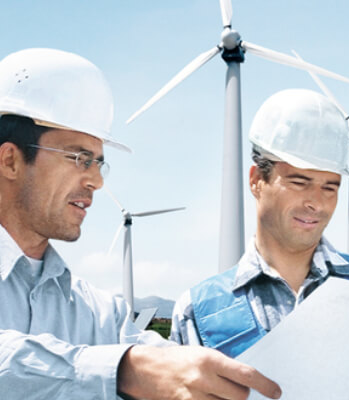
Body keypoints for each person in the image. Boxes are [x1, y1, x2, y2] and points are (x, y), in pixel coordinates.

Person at [0, 48, 281, 400]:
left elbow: (171, 367)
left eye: (99, 163)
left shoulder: (101, 314)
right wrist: (124, 370)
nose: (96, 181)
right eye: (79, 158)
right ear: (10, 160)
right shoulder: (115, 347)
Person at [171, 88, 349, 357]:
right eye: (299, 183)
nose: (316, 203)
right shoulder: (196, 315)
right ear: (257, 180)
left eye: (330, 188)